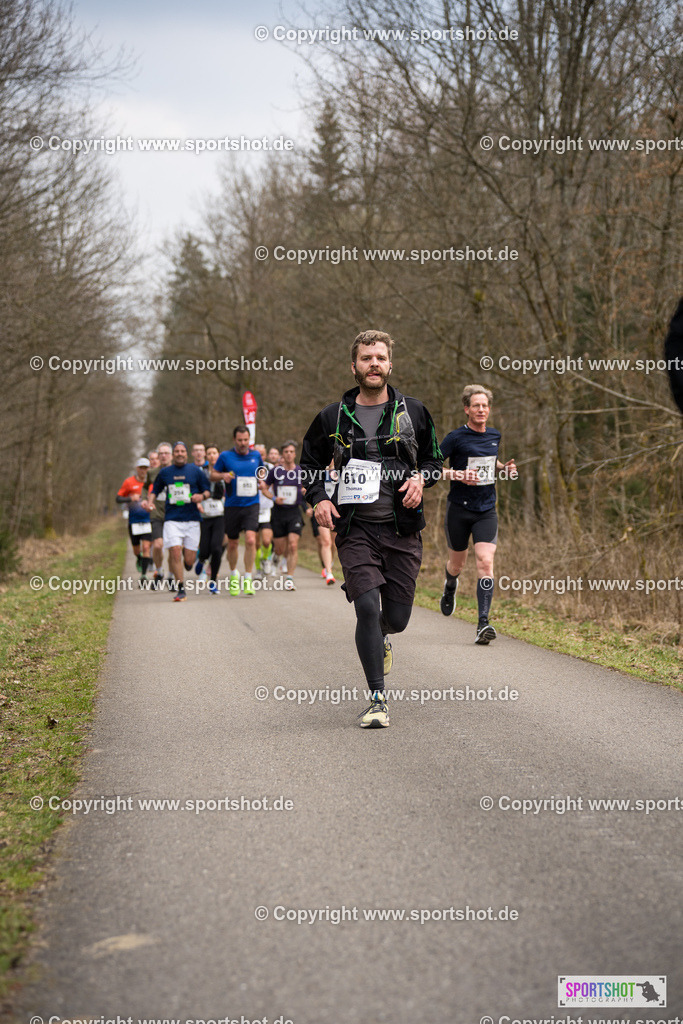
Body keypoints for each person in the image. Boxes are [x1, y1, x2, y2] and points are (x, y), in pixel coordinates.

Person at [301, 329, 443, 728]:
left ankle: (382, 634)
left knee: (396, 618)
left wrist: (421, 479)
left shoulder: (413, 411)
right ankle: (377, 698)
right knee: (366, 607)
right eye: (366, 358)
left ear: (390, 364)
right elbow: (308, 466)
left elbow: (434, 460)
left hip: (402, 530)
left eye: (380, 358)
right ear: (354, 366)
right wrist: (320, 499)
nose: (374, 364)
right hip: (355, 528)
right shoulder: (332, 417)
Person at [439, 385, 516, 644]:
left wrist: (504, 468)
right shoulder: (455, 437)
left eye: (485, 406)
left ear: (489, 409)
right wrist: (457, 474)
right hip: (459, 510)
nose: (481, 410)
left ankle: (483, 623)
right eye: (476, 405)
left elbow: (490, 461)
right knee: (457, 565)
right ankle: (450, 585)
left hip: (486, 510)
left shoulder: (494, 435)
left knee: (485, 562)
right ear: (467, 409)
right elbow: (431, 467)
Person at [149, 441, 210, 602]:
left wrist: (201, 496)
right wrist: (150, 502)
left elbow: (207, 490)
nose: (180, 454)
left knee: (188, 560)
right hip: (172, 519)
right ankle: (181, 589)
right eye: (177, 451)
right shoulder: (165, 472)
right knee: (175, 551)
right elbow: (155, 490)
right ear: (173, 454)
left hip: (192, 519)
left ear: (186, 453)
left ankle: (188, 562)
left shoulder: (195, 471)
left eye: (182, 451)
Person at [211, 426, 264, 597]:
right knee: (232, 543)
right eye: (240, 440)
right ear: (234, 440)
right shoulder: (225, 456)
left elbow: (261, 471)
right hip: (232, 505)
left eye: (245, 440)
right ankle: (234, 574)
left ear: (249, 440)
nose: (243, 443)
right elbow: (213, 475)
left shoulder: (256, 455)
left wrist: (261, 480)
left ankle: (248, 577)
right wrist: (223, 476)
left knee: (250, 540)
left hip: (251, 504)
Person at [263, 441, 304, 590]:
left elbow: (308, 487)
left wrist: (305, 491)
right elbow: (264, 489)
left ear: (295, 454)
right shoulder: (275, 471)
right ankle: (276, 556)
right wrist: (274, 498)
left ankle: (289, 578)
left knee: (293, 545)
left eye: (291, 451)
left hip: (294, 512)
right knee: (280, 548)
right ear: (283, 454)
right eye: (286, 452)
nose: (289, 454)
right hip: (279, 513)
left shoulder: (300, 471)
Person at [195, 444, 225, 594]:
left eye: (215, 453)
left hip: (221, 515)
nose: (212, 456)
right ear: (206, 456)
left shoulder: (225, 471)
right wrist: (198, 503)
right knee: (205, 549)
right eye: (210, 453)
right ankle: (201, 559)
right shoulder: (201, 472)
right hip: (204, 515)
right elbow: (194, 489)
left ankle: (213, 582)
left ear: (219, 455)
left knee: (217, 548)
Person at [141, 441, 172, 588]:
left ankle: (172, 576)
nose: (164, 456)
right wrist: (145, 500)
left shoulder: (178, 471)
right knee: (158, 545)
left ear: (171, 455)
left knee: (174, 548)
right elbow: (145, 488)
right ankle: (159, 571)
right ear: (158, 456)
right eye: (161, 454)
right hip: (156, 513)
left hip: (174, 514)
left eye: (166, 453)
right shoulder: (152, 473)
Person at [116, 457, 153, 583]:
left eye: (145, 468)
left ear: (149, 469)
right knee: (137, 550)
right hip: (134, 521)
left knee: (146, 547)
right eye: (141, 468)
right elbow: (118, 498)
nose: (143, 471)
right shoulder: (129, 482)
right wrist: (130, 498)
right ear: (137, 469)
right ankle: (139, 558)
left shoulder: (152, 483)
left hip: (148, 520)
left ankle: (144, 575)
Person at [305, 464, 336, 584]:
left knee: (334, 543)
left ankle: (329, 563)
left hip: (336, 510)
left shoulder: (340, 468)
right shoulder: (318, 469)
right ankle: (329, 573)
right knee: (326, 541)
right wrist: (310, 507)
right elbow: (310, 489)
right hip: (322, 509)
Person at [254, 444, 274, 578]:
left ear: (265, 455)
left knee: (266, 541)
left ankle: (266, 558)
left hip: (266, 509)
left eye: (262, 454)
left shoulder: (272, 469)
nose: (260, 457)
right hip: (253, 509)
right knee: (255, 544)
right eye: (257, 454)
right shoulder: (249, 467)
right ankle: (258, 570)